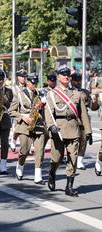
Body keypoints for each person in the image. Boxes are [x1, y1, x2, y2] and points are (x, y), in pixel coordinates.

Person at [45, 66, 91, 196]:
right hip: (58, 130)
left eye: (68, 75)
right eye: (63, 74)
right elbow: (48, 113)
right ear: (58, 76)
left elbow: (83, 115)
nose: (66, 77)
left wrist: (88, 131)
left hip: (73, 129)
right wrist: (50, 126)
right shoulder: (52, 94)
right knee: (56, 158)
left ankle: (69, 186)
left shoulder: (77, 94)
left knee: (73, 158)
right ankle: (52, 173)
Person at [9, 75, 46, 184]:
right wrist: (22, 117)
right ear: (27, 82)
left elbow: (44, 111)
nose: (34, 85)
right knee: (24, 151)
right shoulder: (19, 94)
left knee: (40, 150)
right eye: (32, 83)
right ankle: (20, 166)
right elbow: (11, 111)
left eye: (35, 83)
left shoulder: (39, 94)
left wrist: (43, 105)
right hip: (24, 126)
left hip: (38, 126)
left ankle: (38, 176)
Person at [71, 72, 94, 170]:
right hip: (73, 118)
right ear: (72, 81)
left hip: (84, 119)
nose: (78, 82)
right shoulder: (68, 91)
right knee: (72, 139)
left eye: (79, 80)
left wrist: (94, 99)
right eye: (76, 80)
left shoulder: (85, 92)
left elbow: (92, 107)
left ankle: (80, 161)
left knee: (84, 139)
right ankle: (71, 158)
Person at [9, 69, 28, 152]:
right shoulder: (13, 87)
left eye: (24, 76)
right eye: (21, 76)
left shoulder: (28, 86)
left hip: (25, 109)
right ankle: (13, 141)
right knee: (16, 128)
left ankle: (27, 145)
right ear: (18, 77)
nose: (23, 78)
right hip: (16, 109)